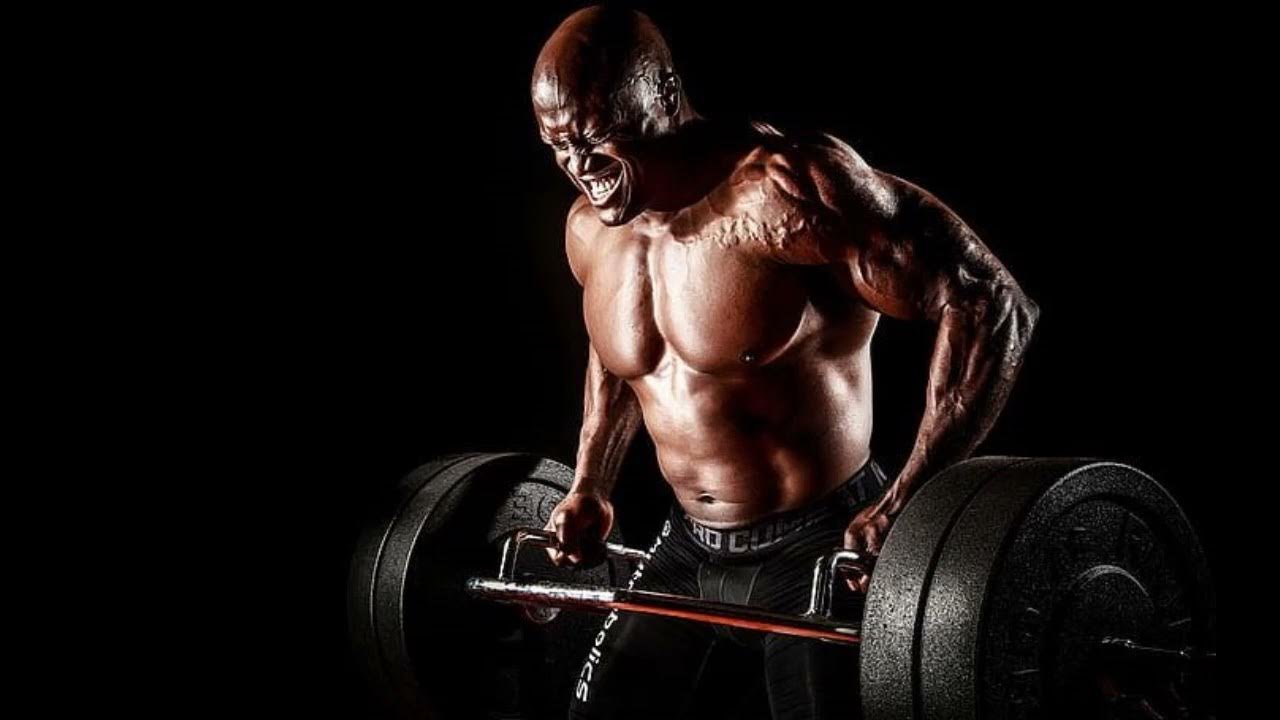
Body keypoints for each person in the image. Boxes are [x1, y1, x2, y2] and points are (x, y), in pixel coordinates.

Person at [532, 7, 1038, 719]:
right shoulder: (590, 230)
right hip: (684, 547)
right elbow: (618, 356)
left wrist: (907, 504)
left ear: (664, 95)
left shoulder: (787, 189)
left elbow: (987, 300)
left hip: (821, 544)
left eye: (597, 136)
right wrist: (591, 482)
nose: (580, 166)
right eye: (558, 145)